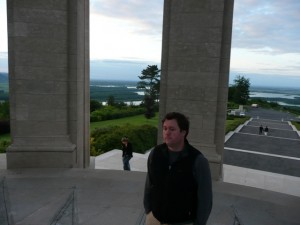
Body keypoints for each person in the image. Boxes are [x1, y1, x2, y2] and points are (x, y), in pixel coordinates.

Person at [143, 112, 212, 225]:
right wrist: (148, 210)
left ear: (183, 132)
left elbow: (205, 198)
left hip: (183, 221)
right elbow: (149, 184)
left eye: (172, 129)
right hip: (154, 219)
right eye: (165, 128)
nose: (167, 133)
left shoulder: (198, 161)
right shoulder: (156, 153)